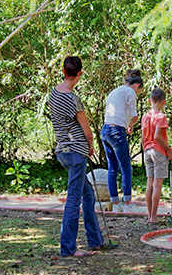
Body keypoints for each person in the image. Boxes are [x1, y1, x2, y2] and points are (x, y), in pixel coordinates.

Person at [48, 56, 104, 257]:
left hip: (62, 151)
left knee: (87, 194)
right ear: (79, 73)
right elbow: (87, 132)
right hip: (76, 152)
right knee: (74, 200)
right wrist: (90, 147)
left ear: (63, 71)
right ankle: (68, 249)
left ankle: (96, 240)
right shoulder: (73, 99)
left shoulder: (54, 94)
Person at [101, 69, 144, 213]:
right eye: (139, 91)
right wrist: (130, 125)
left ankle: (116, 203)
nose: (137, 94)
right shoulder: (130, 92)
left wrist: (126, 125)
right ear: (137, 85)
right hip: (117, 132)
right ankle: (128, 204)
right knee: (126, 168)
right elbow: (134, 116)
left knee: (112, 169)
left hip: (106, 130)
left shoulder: (114, 91)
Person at [141, 88, 172, 224]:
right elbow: (157, 137)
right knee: (157, 185)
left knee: (150, 184)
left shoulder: (145, 116)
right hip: (158, 151)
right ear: (164, 102)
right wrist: (169, 149)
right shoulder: (161, 117)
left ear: (150, 100)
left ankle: (150, 216)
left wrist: (144, 150)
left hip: (147, 150)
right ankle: (153, 217)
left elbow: (143, 137)